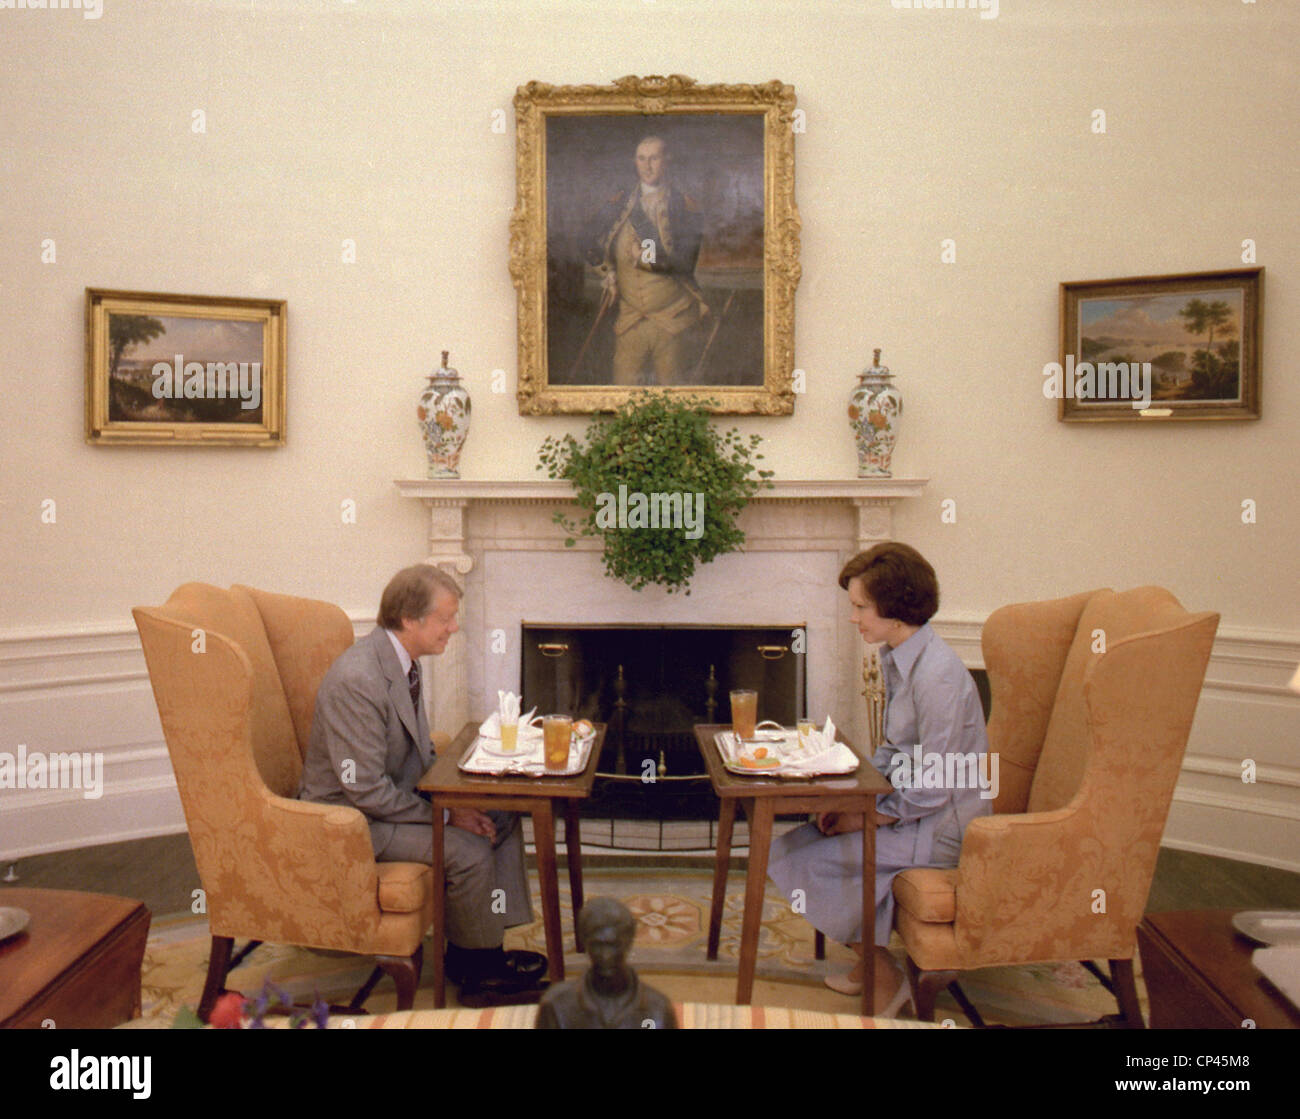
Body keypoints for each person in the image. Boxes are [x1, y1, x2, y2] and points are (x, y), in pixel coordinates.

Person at [298, 564, 545, 999]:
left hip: (390, 800)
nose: (453, 627)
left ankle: (480, 949)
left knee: (500, 815)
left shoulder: (403, 661)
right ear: (410, 619)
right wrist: (448, 816)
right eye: (445, 618)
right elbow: (366, 789)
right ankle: (481, 975)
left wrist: (466, 799)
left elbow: (421, 753)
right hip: (353, 822)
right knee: (467, 847)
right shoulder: (358, 678)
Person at [767, 543, 992, 1013]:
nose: (854, 618)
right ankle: (869, 960)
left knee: (809, 862)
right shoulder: (900, 657)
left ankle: (883, 972)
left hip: (943, 827)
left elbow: (935, 784)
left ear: (894, 608)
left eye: (860, 607)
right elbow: (893, 749)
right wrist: (851, 801)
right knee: (792, 845)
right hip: (915, 812)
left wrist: (869, 817)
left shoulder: (938, 677)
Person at [587, 134, 708, 385]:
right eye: (642, 159)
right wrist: (607, 272)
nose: (647, 165)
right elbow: (585, 239)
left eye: (654, 158)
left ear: (667, 160)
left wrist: (646, 256)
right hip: (629, 319)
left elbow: (685, 262)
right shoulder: (620, 202)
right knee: (623, 395)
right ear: (635, 161)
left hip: (672, 319)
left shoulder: (685, 206)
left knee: (673, 397)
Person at [535, 898, 677, 1029]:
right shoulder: (556, 1007)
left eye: (614, 945)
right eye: (597, 945)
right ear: (584, 941)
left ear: (629, 941)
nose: (606, 956)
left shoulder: (658, 1010)